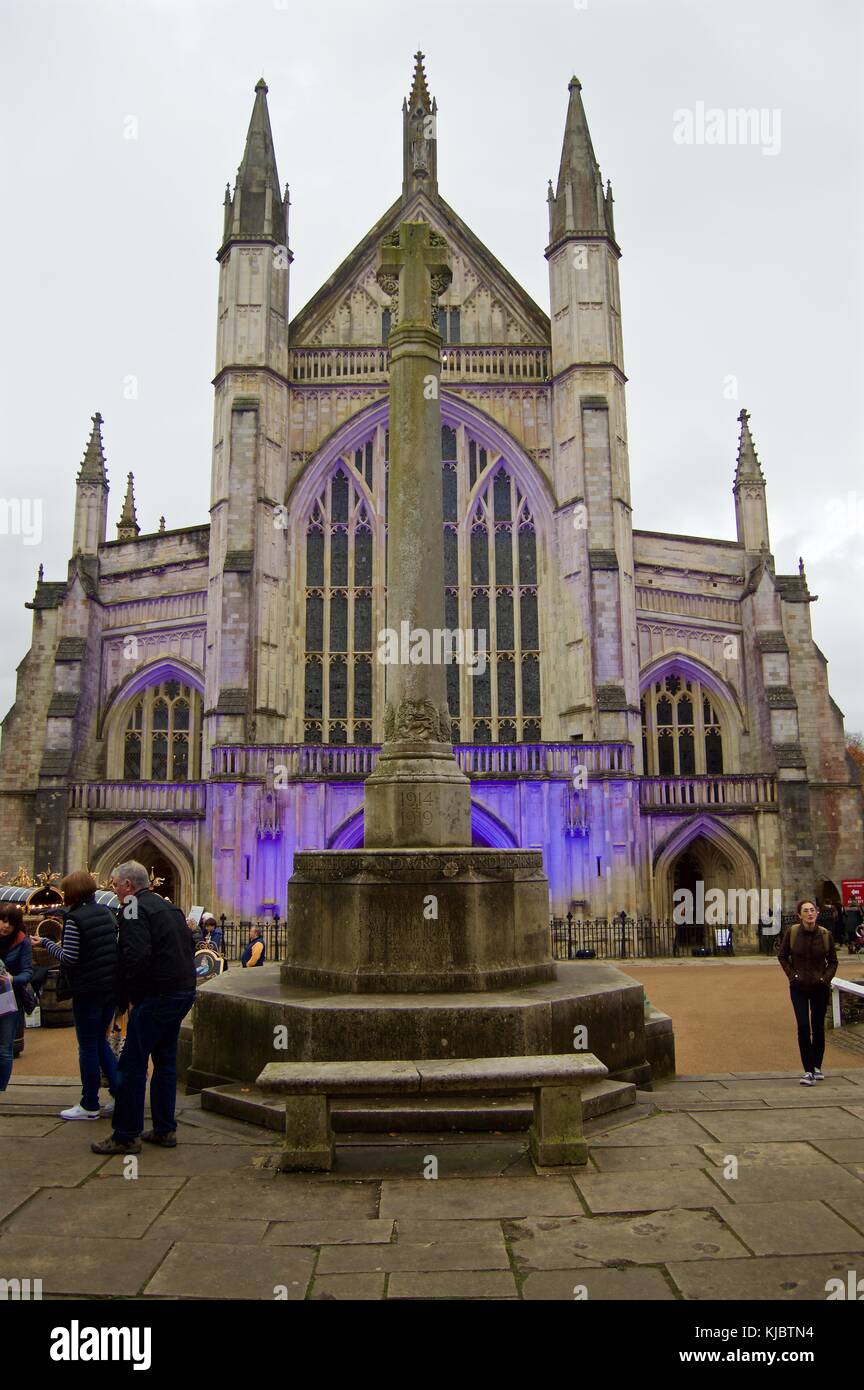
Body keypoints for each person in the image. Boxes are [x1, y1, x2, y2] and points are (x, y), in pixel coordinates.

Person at [90, 860, 195, 1156]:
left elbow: (135, 957)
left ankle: (125, 1135)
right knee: (165, 1061)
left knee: (131, 1066)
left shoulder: (133, 907)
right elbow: (187, 948)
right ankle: (164, 1129)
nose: (113, 888)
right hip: (181, 992)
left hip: (157, 997)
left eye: (115, 883)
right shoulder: (169, 908)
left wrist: (133, 998)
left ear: (129, 886)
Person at [32, 871, 119, 1121]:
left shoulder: (74, 919)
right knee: (100, 1043)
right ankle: (119, 1093)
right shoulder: (105, 912)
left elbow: (70, 957)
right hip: (108, 988)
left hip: (88, 990)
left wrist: (46, 944)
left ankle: (89, 1103)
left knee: (88, 1047)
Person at [777, 899, 838, 1085]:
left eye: (812, 910)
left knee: (818, 1027)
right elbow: (782, 956)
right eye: (806, 910)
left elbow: (834, 961)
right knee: (803, 1027)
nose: (810, 913)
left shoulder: (826, 935)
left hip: (819, 987)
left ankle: (817, 1066)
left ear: (817, 913)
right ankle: (808, 1070)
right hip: (799, 987)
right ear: (800, 915)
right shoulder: (793, 933)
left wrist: (824, 979)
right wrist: (793, 977)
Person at [0, 905, 33, 1091]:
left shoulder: (22, 942)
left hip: (8, 999)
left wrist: (13, 979)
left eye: (10, 924)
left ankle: (2, 1091)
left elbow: (28, 972)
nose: (5, 927)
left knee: (4, 1049)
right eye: (3, 921)